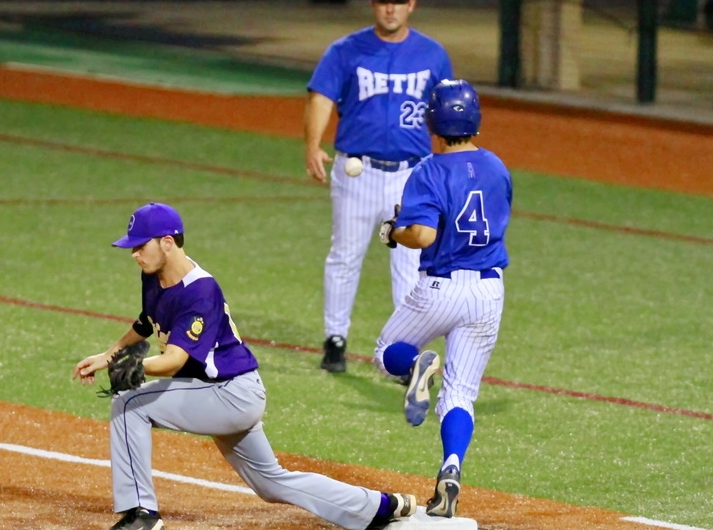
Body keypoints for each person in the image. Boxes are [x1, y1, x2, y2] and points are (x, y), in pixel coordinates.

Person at [72, 202, 417, 530]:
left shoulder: (200, 290)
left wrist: (136, 366)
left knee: (128, 404)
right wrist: (111, 354)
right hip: (219, 392)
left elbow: (175, 359)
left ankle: (141, 514)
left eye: (139, 246)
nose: (134, 254)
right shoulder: (154, 274)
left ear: (166, 243)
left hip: (230, 394)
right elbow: (148, 320)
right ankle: (379, 506)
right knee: (271, 483)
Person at [375, 79, 512, 518]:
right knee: (459, 395)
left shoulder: (429, 170)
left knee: (385, 352)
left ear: (432, 120)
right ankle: (451, 470)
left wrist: (396, 231)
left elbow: (425, 235)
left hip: (442, 287)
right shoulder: (497, 167)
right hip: (488, 290)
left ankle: (416, 365)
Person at [304, 0, 454, 373]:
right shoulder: (345, 50)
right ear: (374, 5)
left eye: (398, 1)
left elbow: (445, 110)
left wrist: (447, 162)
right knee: (345, 257)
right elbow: (320, 97)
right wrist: (312, 144)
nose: (390, 9)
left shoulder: (432, 54)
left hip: (412, 176)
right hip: (358, 170)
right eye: (383, 1)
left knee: (411, 264)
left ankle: (405, 350)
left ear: (411, 4)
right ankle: (335, 340)